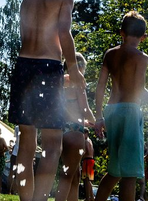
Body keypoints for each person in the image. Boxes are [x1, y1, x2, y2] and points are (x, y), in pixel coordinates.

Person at [8, 0, 89, 201]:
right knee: (53, 142)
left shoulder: (26, 0)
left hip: (23, 66)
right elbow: (63, 32)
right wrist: (73, 68)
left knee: (26, 142)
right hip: (48, 66)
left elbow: (24, 35)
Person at [93, 11, 148, 201]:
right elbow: (139, 89)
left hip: (111, 111)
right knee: (131, 173)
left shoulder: (110, 54)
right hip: (130, 111)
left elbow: (100, 87)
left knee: (115, 170)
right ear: (144, 37)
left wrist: (98, 116)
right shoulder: (141, 58)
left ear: (121, 33)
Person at [57, 52, 96, 201]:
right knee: (68, 175)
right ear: (82, 67)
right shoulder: (78, 82)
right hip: (75, 132)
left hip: (62, 130)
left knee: (75, 174)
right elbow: (85, 109)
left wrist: (85, 122)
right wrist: (98, 121)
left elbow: (65, 109)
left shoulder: (60, 81)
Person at [0, 128, 11, 194]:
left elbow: (6, 148)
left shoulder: (2, 140)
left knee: (0, 174)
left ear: (0, 133)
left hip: (1, 158)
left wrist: (1, 152)